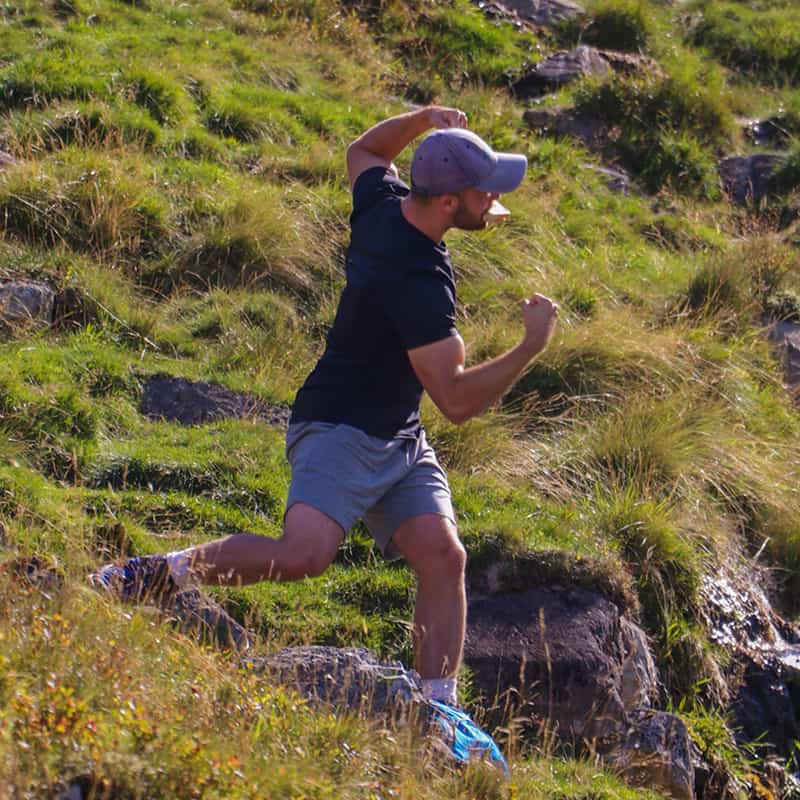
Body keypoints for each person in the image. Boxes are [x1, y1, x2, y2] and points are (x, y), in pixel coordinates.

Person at [90, 105, 559, 709]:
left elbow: (364, 152)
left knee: (445, 558)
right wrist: (530, 345)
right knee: (303, 556)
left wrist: (424, 119)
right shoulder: (416, 281)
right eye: (483, 187)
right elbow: (457, 399)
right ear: (449, 203)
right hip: (340, 428)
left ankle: (438, 712)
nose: (494, 197)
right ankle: (152, 575)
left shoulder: (385, 207)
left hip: (398, 435)